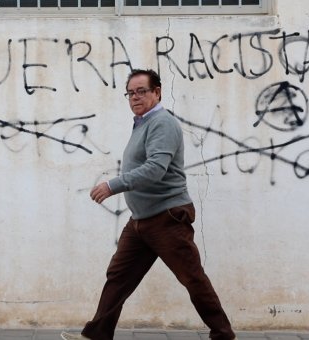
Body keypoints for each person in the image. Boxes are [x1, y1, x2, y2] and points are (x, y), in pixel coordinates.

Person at [61, 69, 236, 340]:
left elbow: (155, 168)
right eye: (130, 93)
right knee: (118, 277)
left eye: (142, 91)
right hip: (141, 220)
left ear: (157, 92)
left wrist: (113, 185)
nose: (135, 97)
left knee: (192, 278)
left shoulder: (162, 123)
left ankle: (223, 334)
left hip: (167, 218)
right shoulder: (142, 123)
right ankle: (97, 334)